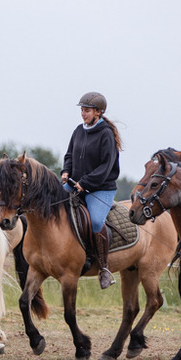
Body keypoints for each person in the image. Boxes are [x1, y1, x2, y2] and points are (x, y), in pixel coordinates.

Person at [61, 91, 121, 289]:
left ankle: (104, 268)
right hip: (76, 183)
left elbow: (105, 167)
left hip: (100, 189)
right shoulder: (78, 130)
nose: (83, 114)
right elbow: (69, 154)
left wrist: (85, 183)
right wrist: (65, 172)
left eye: (86, 111)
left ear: (98, 112)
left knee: (95, 221)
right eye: (82, 110)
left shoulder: (106, 135)